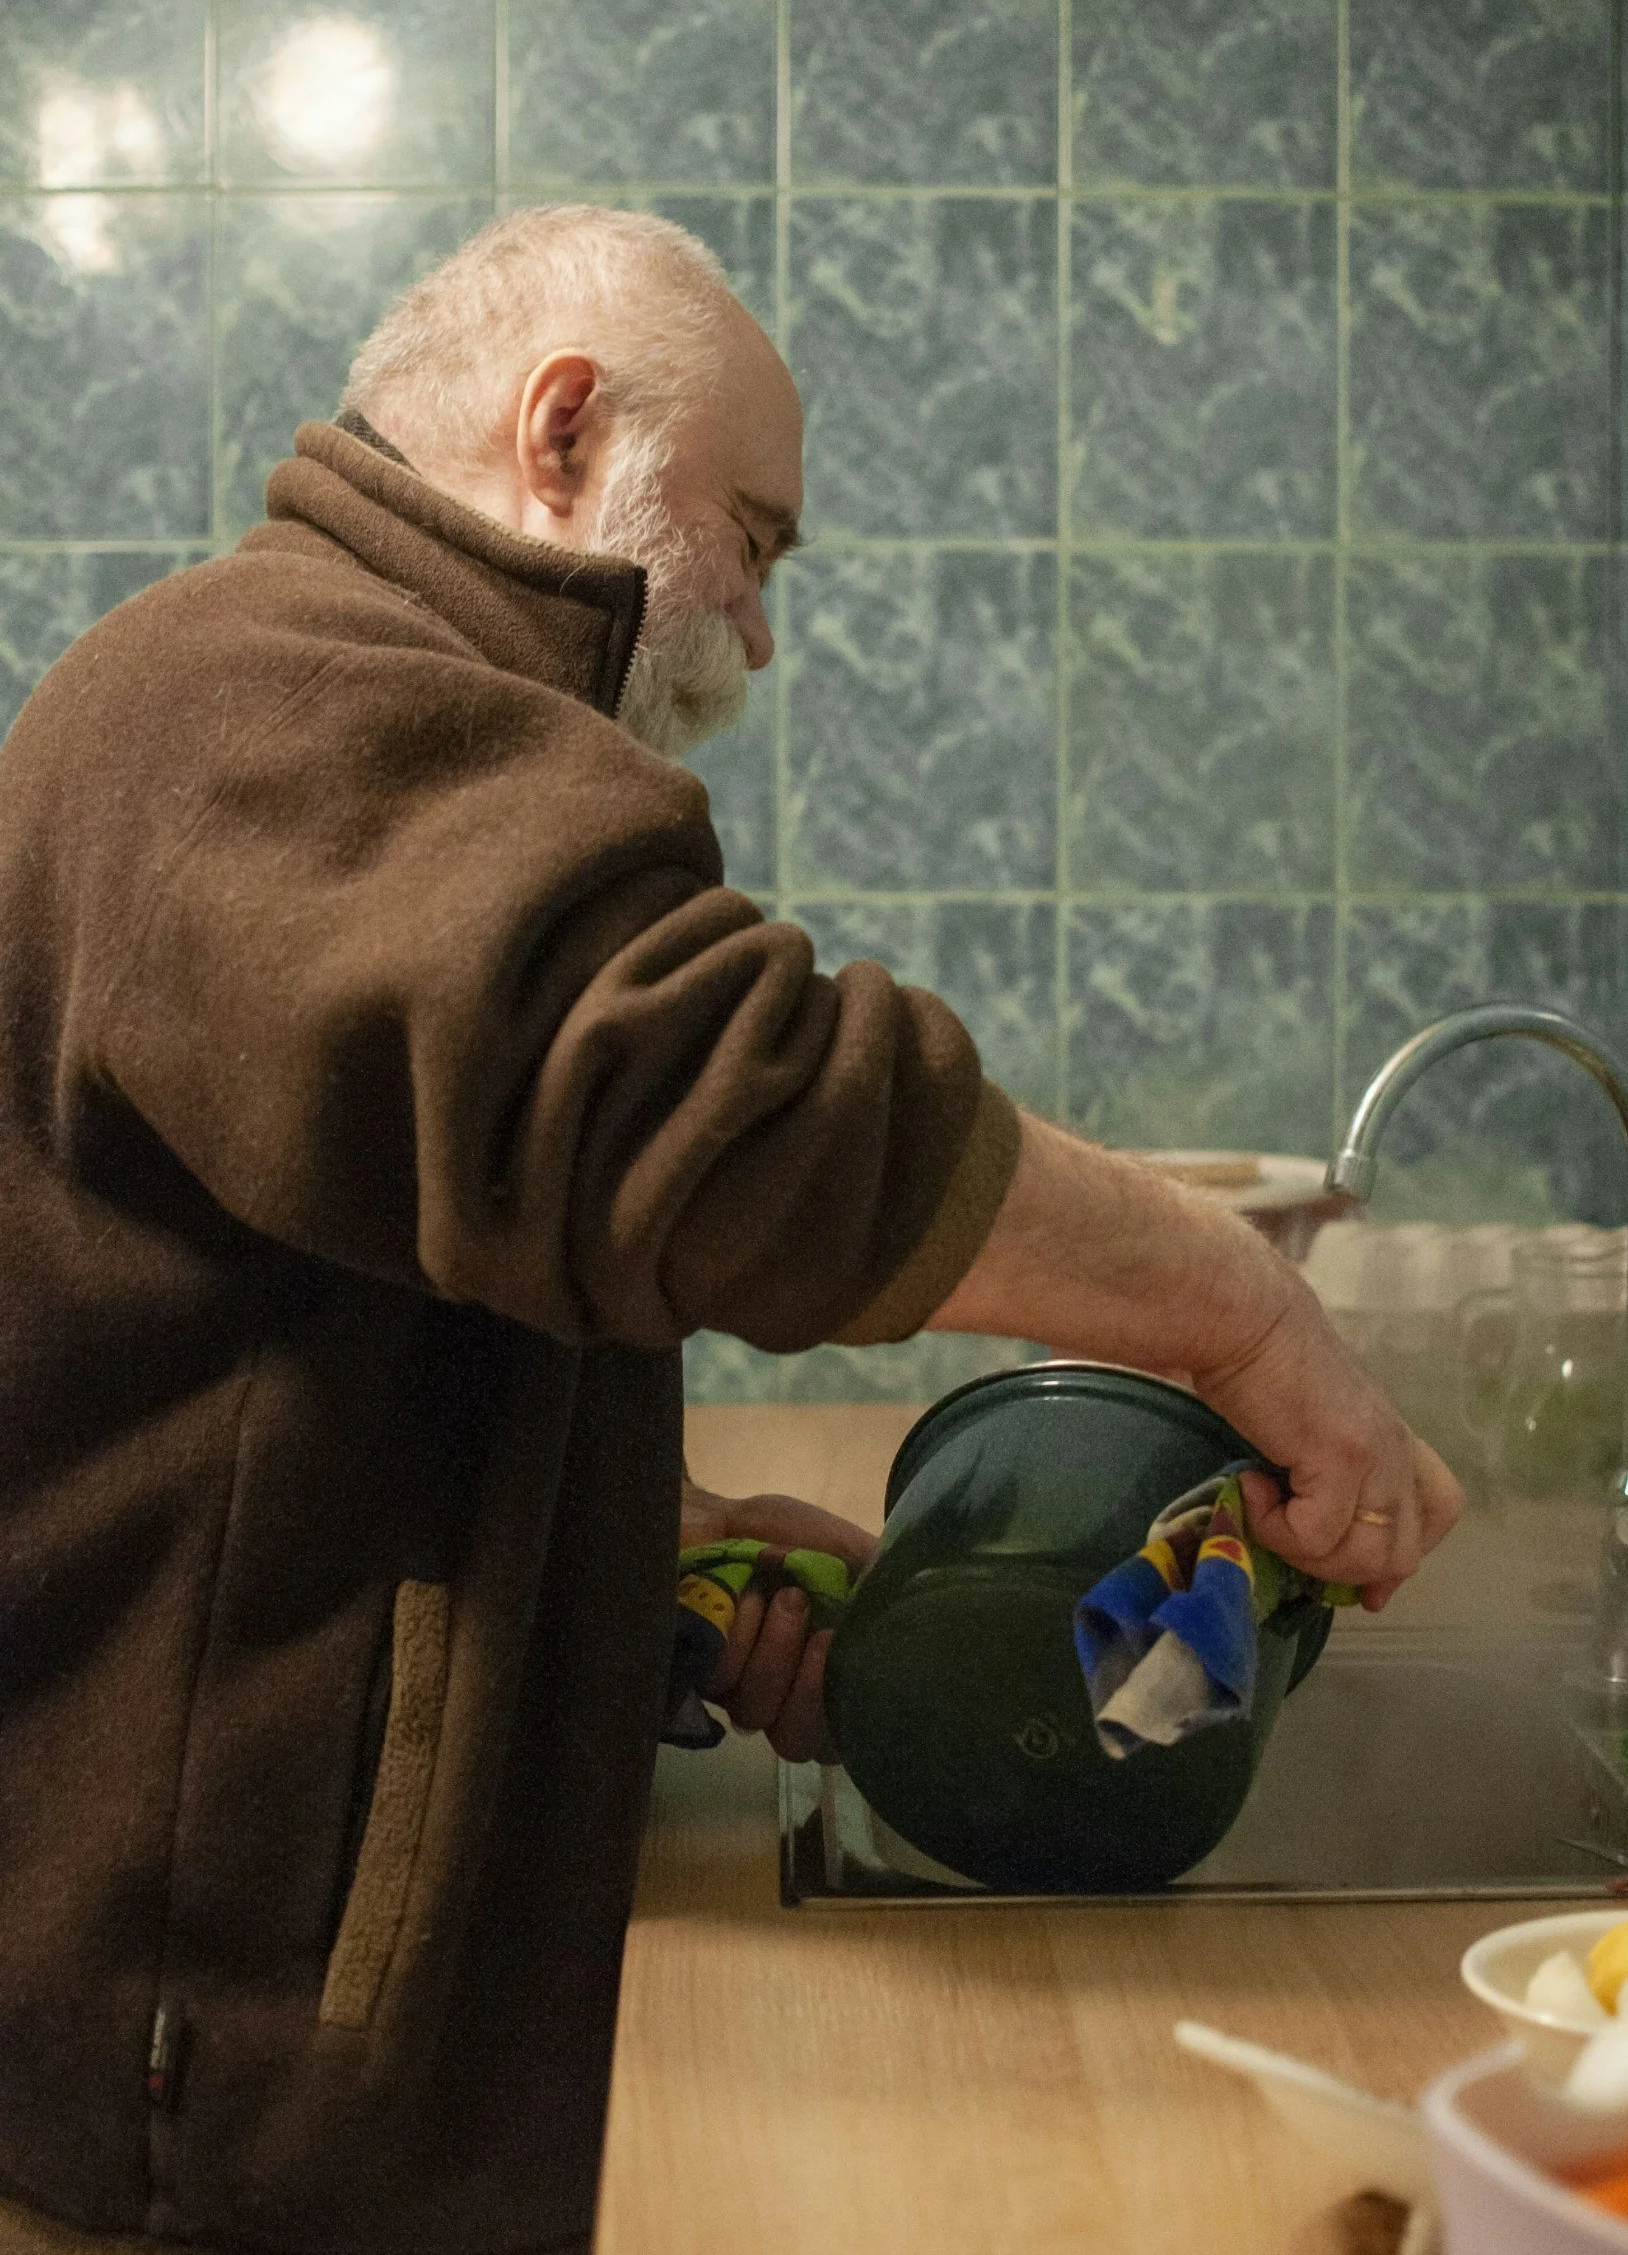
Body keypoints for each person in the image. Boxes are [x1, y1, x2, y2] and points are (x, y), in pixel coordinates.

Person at [0, 206, 1460, 2255]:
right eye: (753, 541)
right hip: (209, 2060)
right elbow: (708, 1102)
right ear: (564, 428)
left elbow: (351, 1302)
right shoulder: (263, 697)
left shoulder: (338, 712)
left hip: (249, 2004)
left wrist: (642, 1549)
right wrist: (1231, 1309)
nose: (759, 633)